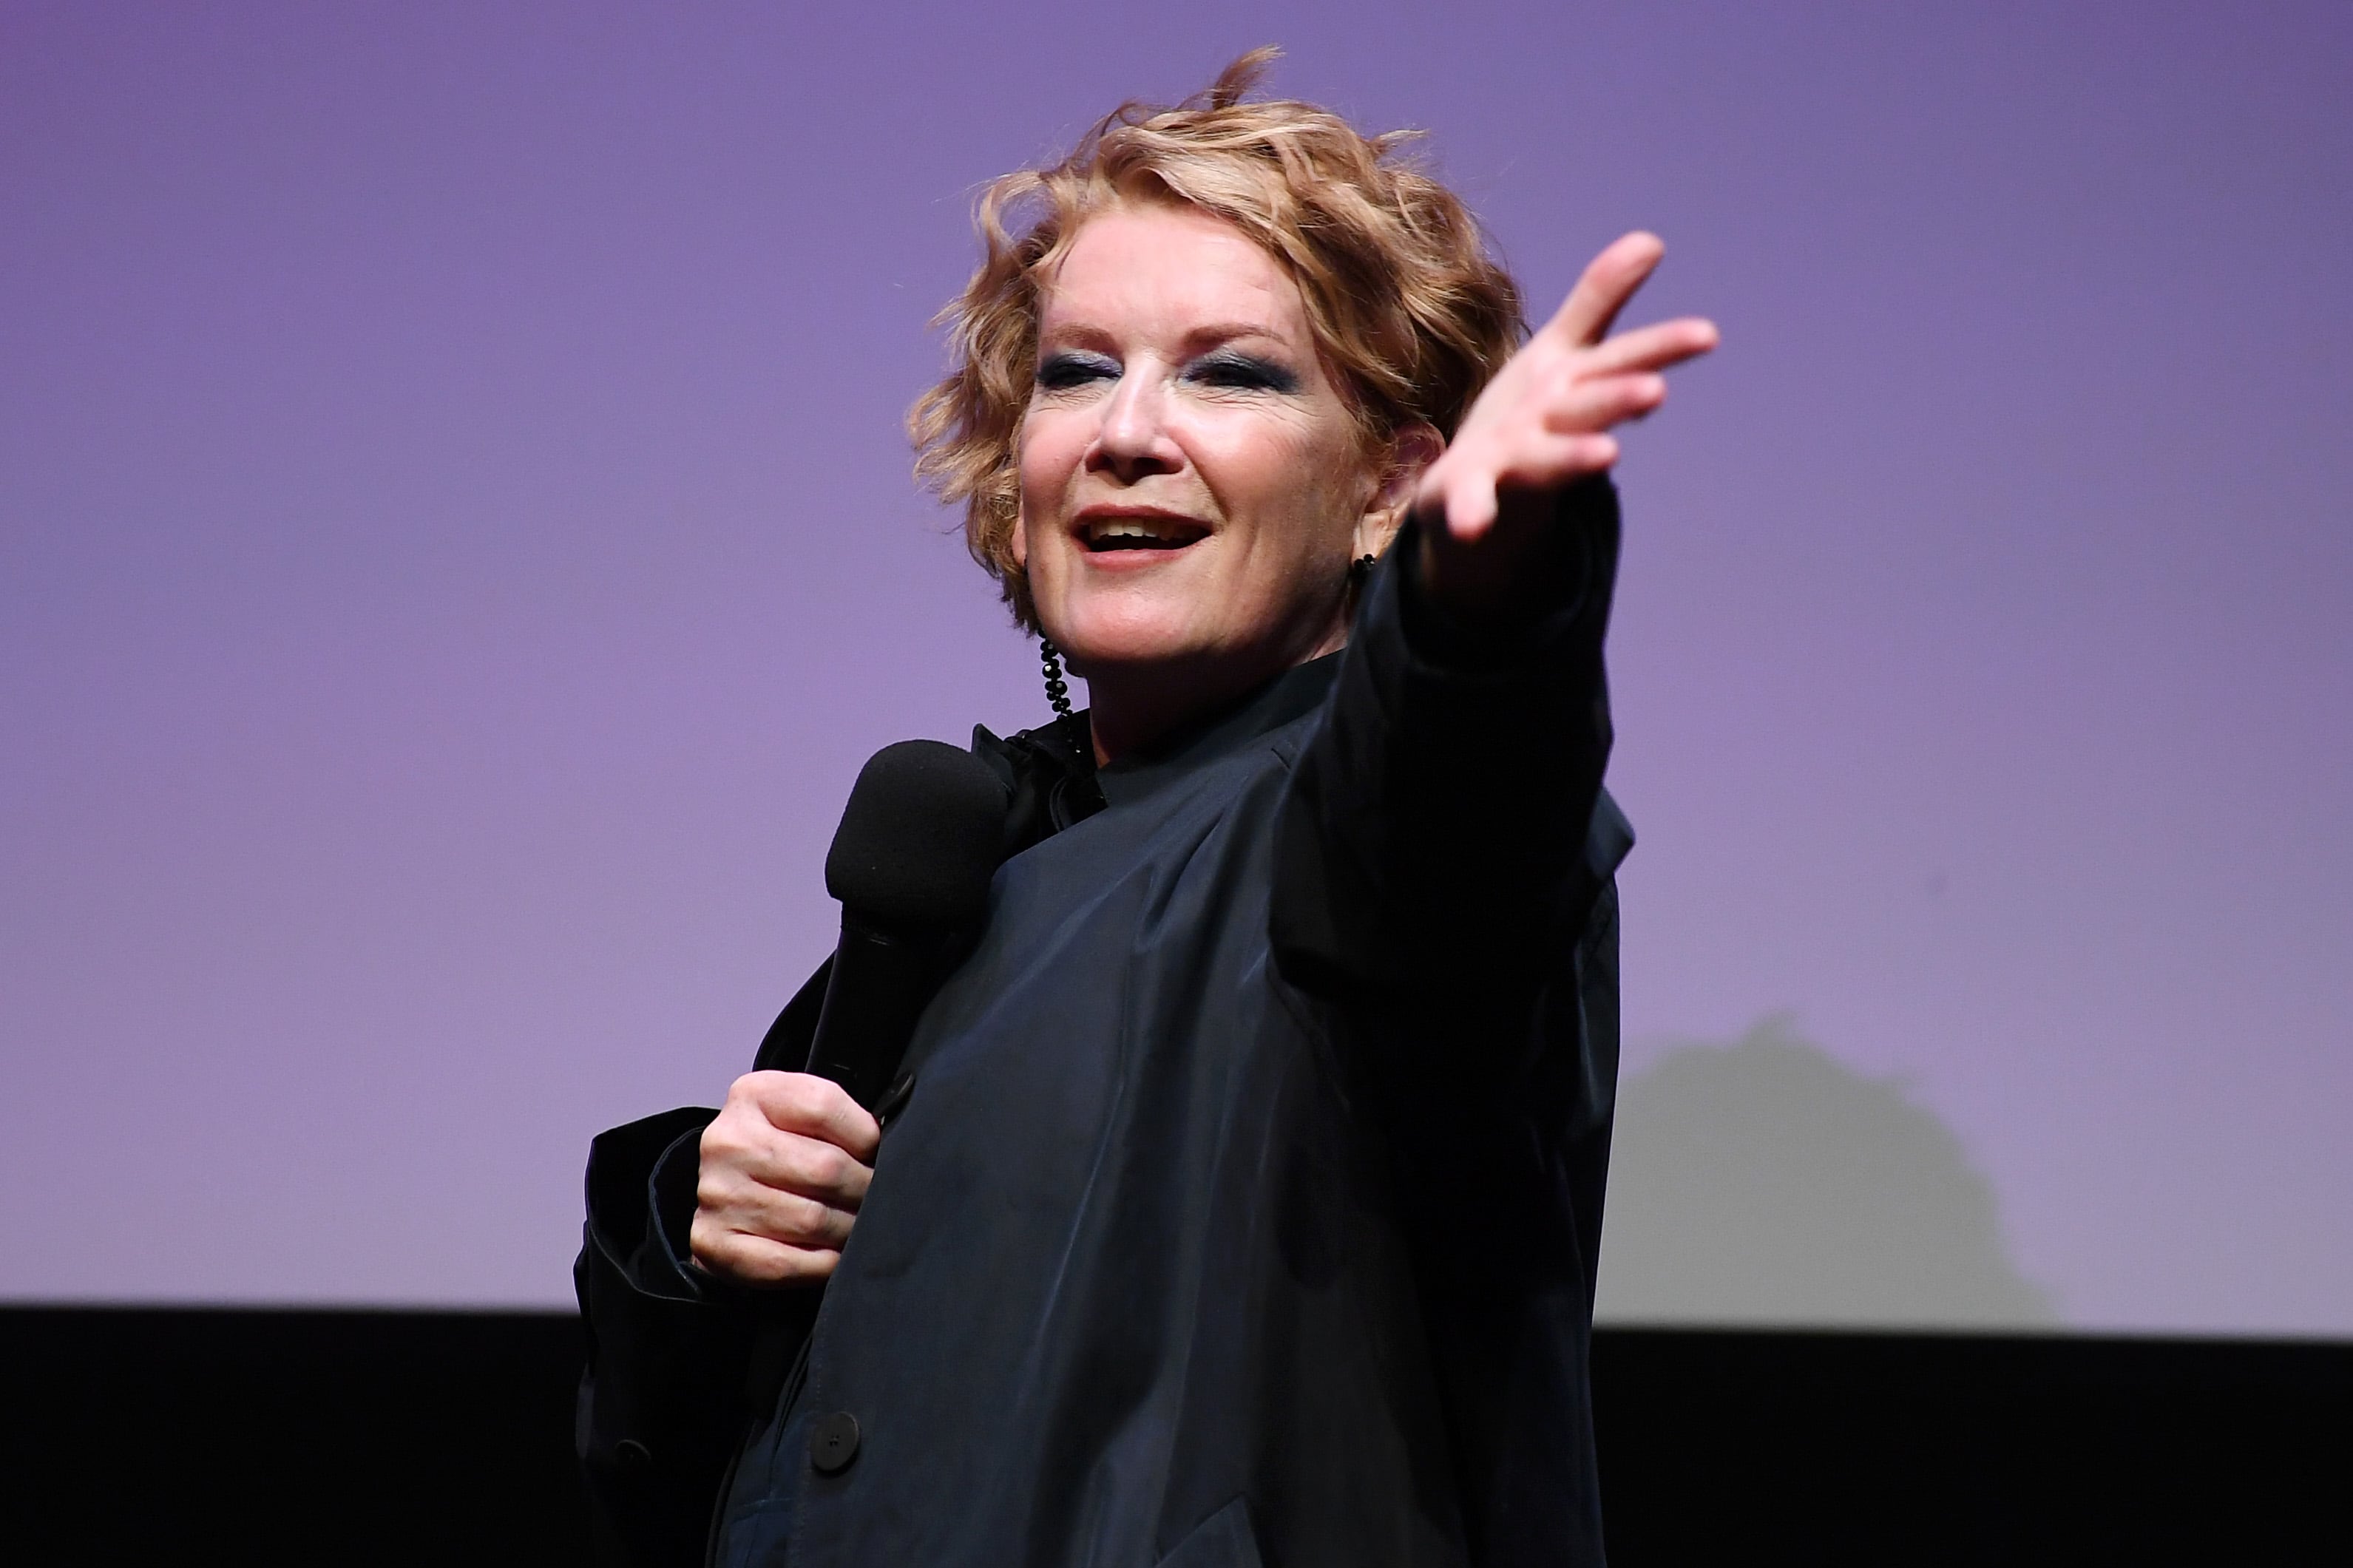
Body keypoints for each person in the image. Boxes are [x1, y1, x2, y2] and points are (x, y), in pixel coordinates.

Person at [575, 48, 1716, 1568]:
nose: (1126, 429)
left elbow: (1456, 792)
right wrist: (707, 1221)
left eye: (1231, 371)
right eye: (1076, 368)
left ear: (1388, 486)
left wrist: (1484, 583)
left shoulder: (1355, 832)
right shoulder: (966, 868)